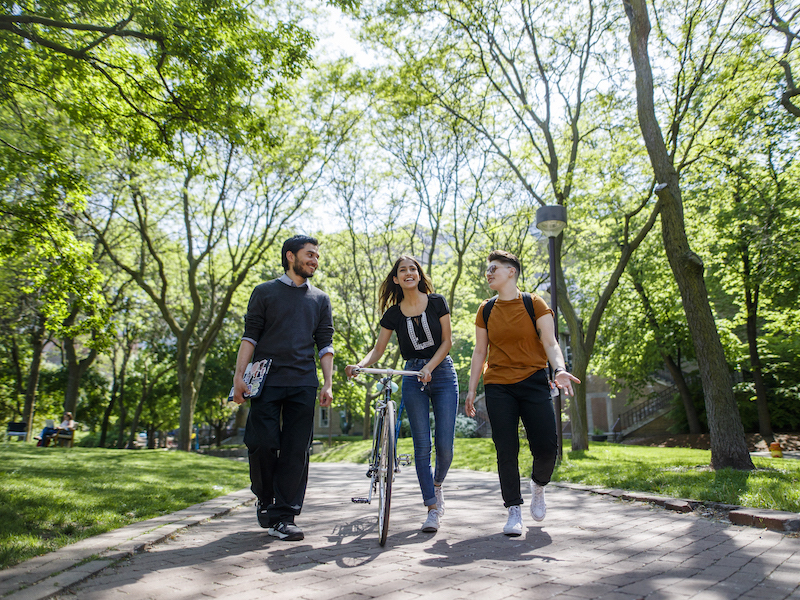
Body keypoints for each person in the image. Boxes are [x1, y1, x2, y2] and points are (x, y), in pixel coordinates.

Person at [465, 250, 580, 537]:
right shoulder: (486, 309)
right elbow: (480, 352)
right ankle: (513, 508)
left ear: (511, 272)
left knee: (546, 447)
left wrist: (560, 369)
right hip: (498, 385)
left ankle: (538, 485)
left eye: (494, 268)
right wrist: (471, 389)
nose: (488, 273)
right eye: (487, 269)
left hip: (533, 380)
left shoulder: (534, 303)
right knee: (506, 448)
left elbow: (551, 342)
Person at [232, 234, 334, 542]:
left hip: (303, 381)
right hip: (265, 381)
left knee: (296, 449)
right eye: (309, 254)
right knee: (261, 441)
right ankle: (265, 497)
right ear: (290, 256)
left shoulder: (320, 299)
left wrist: (328, 383)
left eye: (316, 256)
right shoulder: (264, 292)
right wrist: (238, 377)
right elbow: (250, 337)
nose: (314, 260)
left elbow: (325, 343)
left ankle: (285, 516)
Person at [346, 256, 458, 533]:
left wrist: (430, 367)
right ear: (396, 279)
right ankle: (432, 508)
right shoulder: (393, 315)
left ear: (419, 275)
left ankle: (437, 484)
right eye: (402, 271)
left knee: (445, 446)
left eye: (413, 269)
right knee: (422, 446)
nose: (408, 273)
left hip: (442, 372)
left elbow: (447, 342)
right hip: (412, 376)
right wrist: (359, 365)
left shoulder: (437, 302)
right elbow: (378, 350)